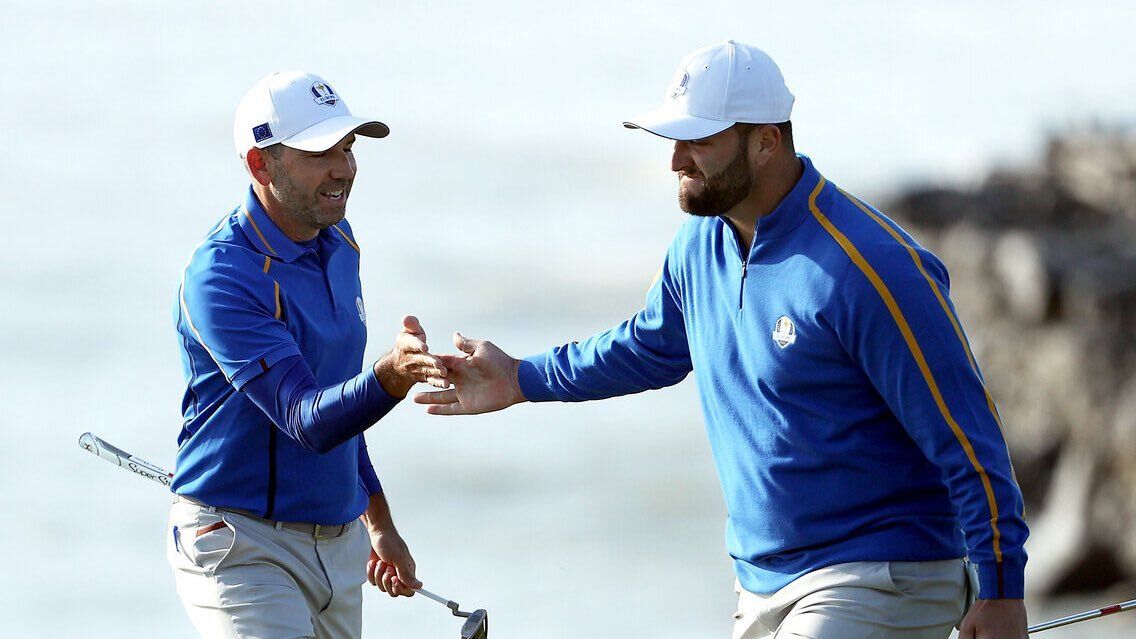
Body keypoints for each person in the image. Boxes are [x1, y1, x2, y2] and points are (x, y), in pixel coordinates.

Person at [416, 41, 1029, 639]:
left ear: (767, 141)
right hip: (759, 584)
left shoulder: (871, 268)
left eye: (698, 140)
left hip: (881, 574)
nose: (676, 160)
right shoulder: (700, 243)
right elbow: (649, 347)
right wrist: (522, 377)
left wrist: (1001, 593)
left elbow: (968, 439)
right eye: (673, 139)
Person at [169, 71, 447, 638]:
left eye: (347, 147)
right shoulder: (223, 276)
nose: (344, 168)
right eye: (321, 151)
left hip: (338, 547)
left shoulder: (340, 243)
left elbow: (337, 397)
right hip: (241, 546)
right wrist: (392, 376)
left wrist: (379, 522)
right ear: (260, 166)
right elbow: (306, 419)